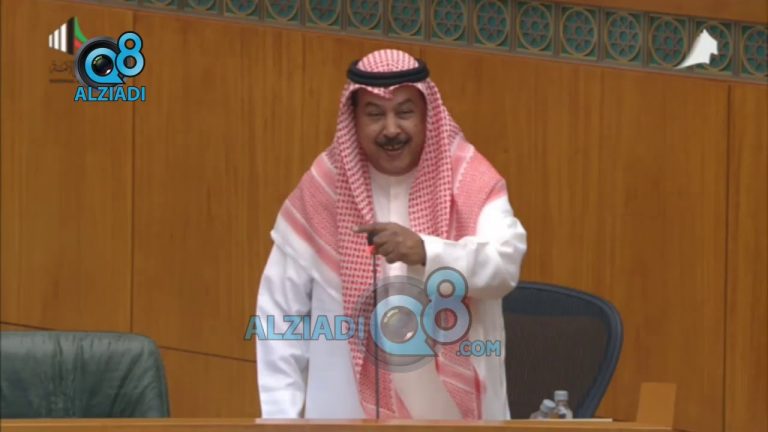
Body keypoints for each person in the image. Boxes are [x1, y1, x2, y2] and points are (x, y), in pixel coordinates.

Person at [255, 49, 527, 420]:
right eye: (374, 114)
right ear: (353, 120)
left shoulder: (470, 179)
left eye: (404, 112)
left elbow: (505, 266)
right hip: (344, 414)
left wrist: (427, 252)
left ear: (427, 114)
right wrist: (280, 421)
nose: (391, 129)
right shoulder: (325, 188)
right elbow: (279, 316)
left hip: (453, 418)